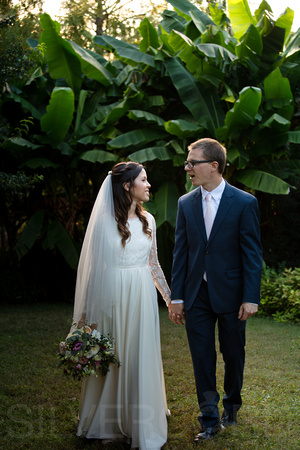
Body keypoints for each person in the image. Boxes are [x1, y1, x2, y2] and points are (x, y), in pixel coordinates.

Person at [71, 162, 171, 449]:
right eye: (144, 179)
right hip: (113, 296)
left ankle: (144, 417)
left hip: (141, 296)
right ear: (127, 186)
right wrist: (86, 318)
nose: (149, 184)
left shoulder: (148, 220)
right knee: (114, 358)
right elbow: (93, 272)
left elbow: (153, 265)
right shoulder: (103, 223)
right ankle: (108, 422)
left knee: (140, 354)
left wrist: (169, 298)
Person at [169, 138, 262, 442]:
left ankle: (231, 406)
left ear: (213, 166)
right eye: (187, 162)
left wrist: (250, 297)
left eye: (192, 162)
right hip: (196, 295)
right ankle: (209, 418)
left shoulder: (245, 202)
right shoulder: (185, 203)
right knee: (202, 357)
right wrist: (177, 296)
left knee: (233, 354)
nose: (187, 168)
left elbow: (251, 254)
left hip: (233, 295)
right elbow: (181, 253)